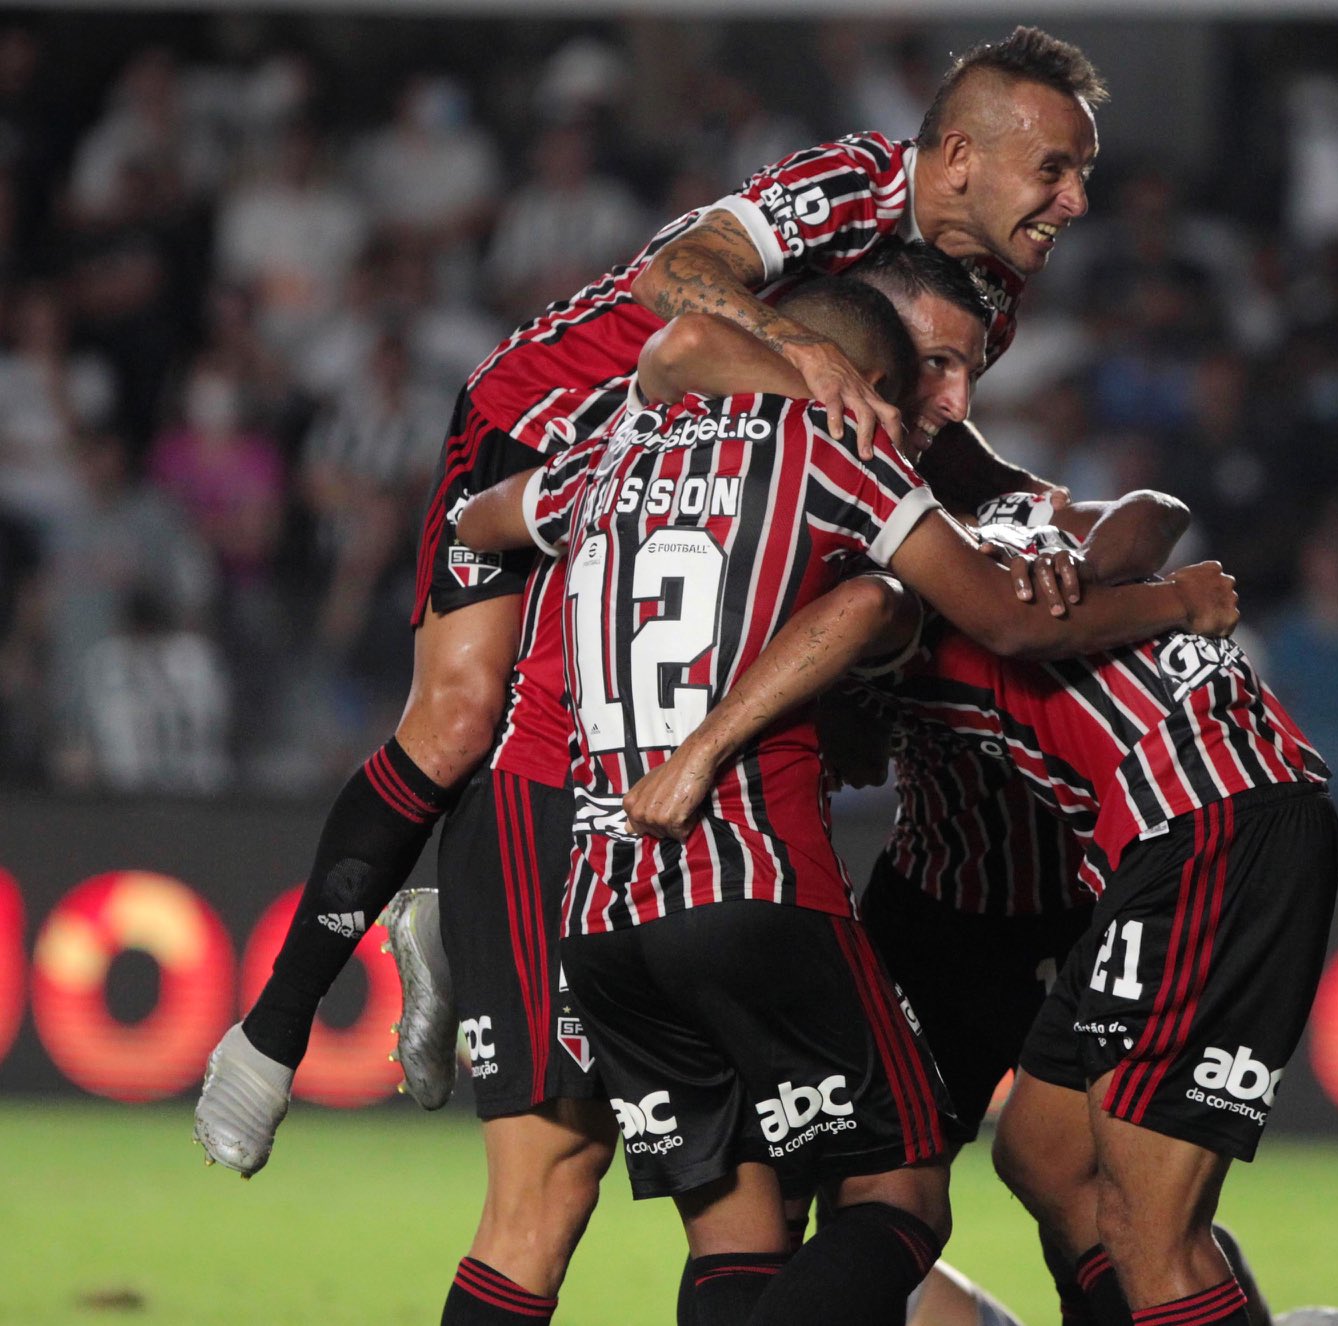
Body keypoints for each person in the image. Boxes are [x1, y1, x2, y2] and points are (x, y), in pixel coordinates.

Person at [195, 24, 1109, 1179]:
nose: (1074, 201)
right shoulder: (853, 183)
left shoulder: (989, 300)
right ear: (962, 157)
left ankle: (466, 929)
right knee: (461, 720)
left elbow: (908, 436)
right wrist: (804, 354)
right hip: (546, 424)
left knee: (655, 721)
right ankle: (273, 1031)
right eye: (1054, 169)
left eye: (1083, 174)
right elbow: (673, 276)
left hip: (699, 481)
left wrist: (1030, 510)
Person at [451, 277, 1239, 1326]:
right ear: (856, 381)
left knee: (743, 1219)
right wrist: (1173, 600)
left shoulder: (609, 459)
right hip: (747, 877)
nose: (944, 404)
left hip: (600, 907)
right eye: (925, 375)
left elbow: (476, 518)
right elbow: (962, 614)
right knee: (901, 1193)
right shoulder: (840, 453)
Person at [631, 516, 1332, 1326]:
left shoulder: (915, 581)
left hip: (1204, 818)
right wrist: (1130, 579)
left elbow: (1129, 525)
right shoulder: (992, 547)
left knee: (1149, 1223)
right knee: (1043, 1154)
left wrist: (700, 752)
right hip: (1122, 852)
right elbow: (1136, 518)